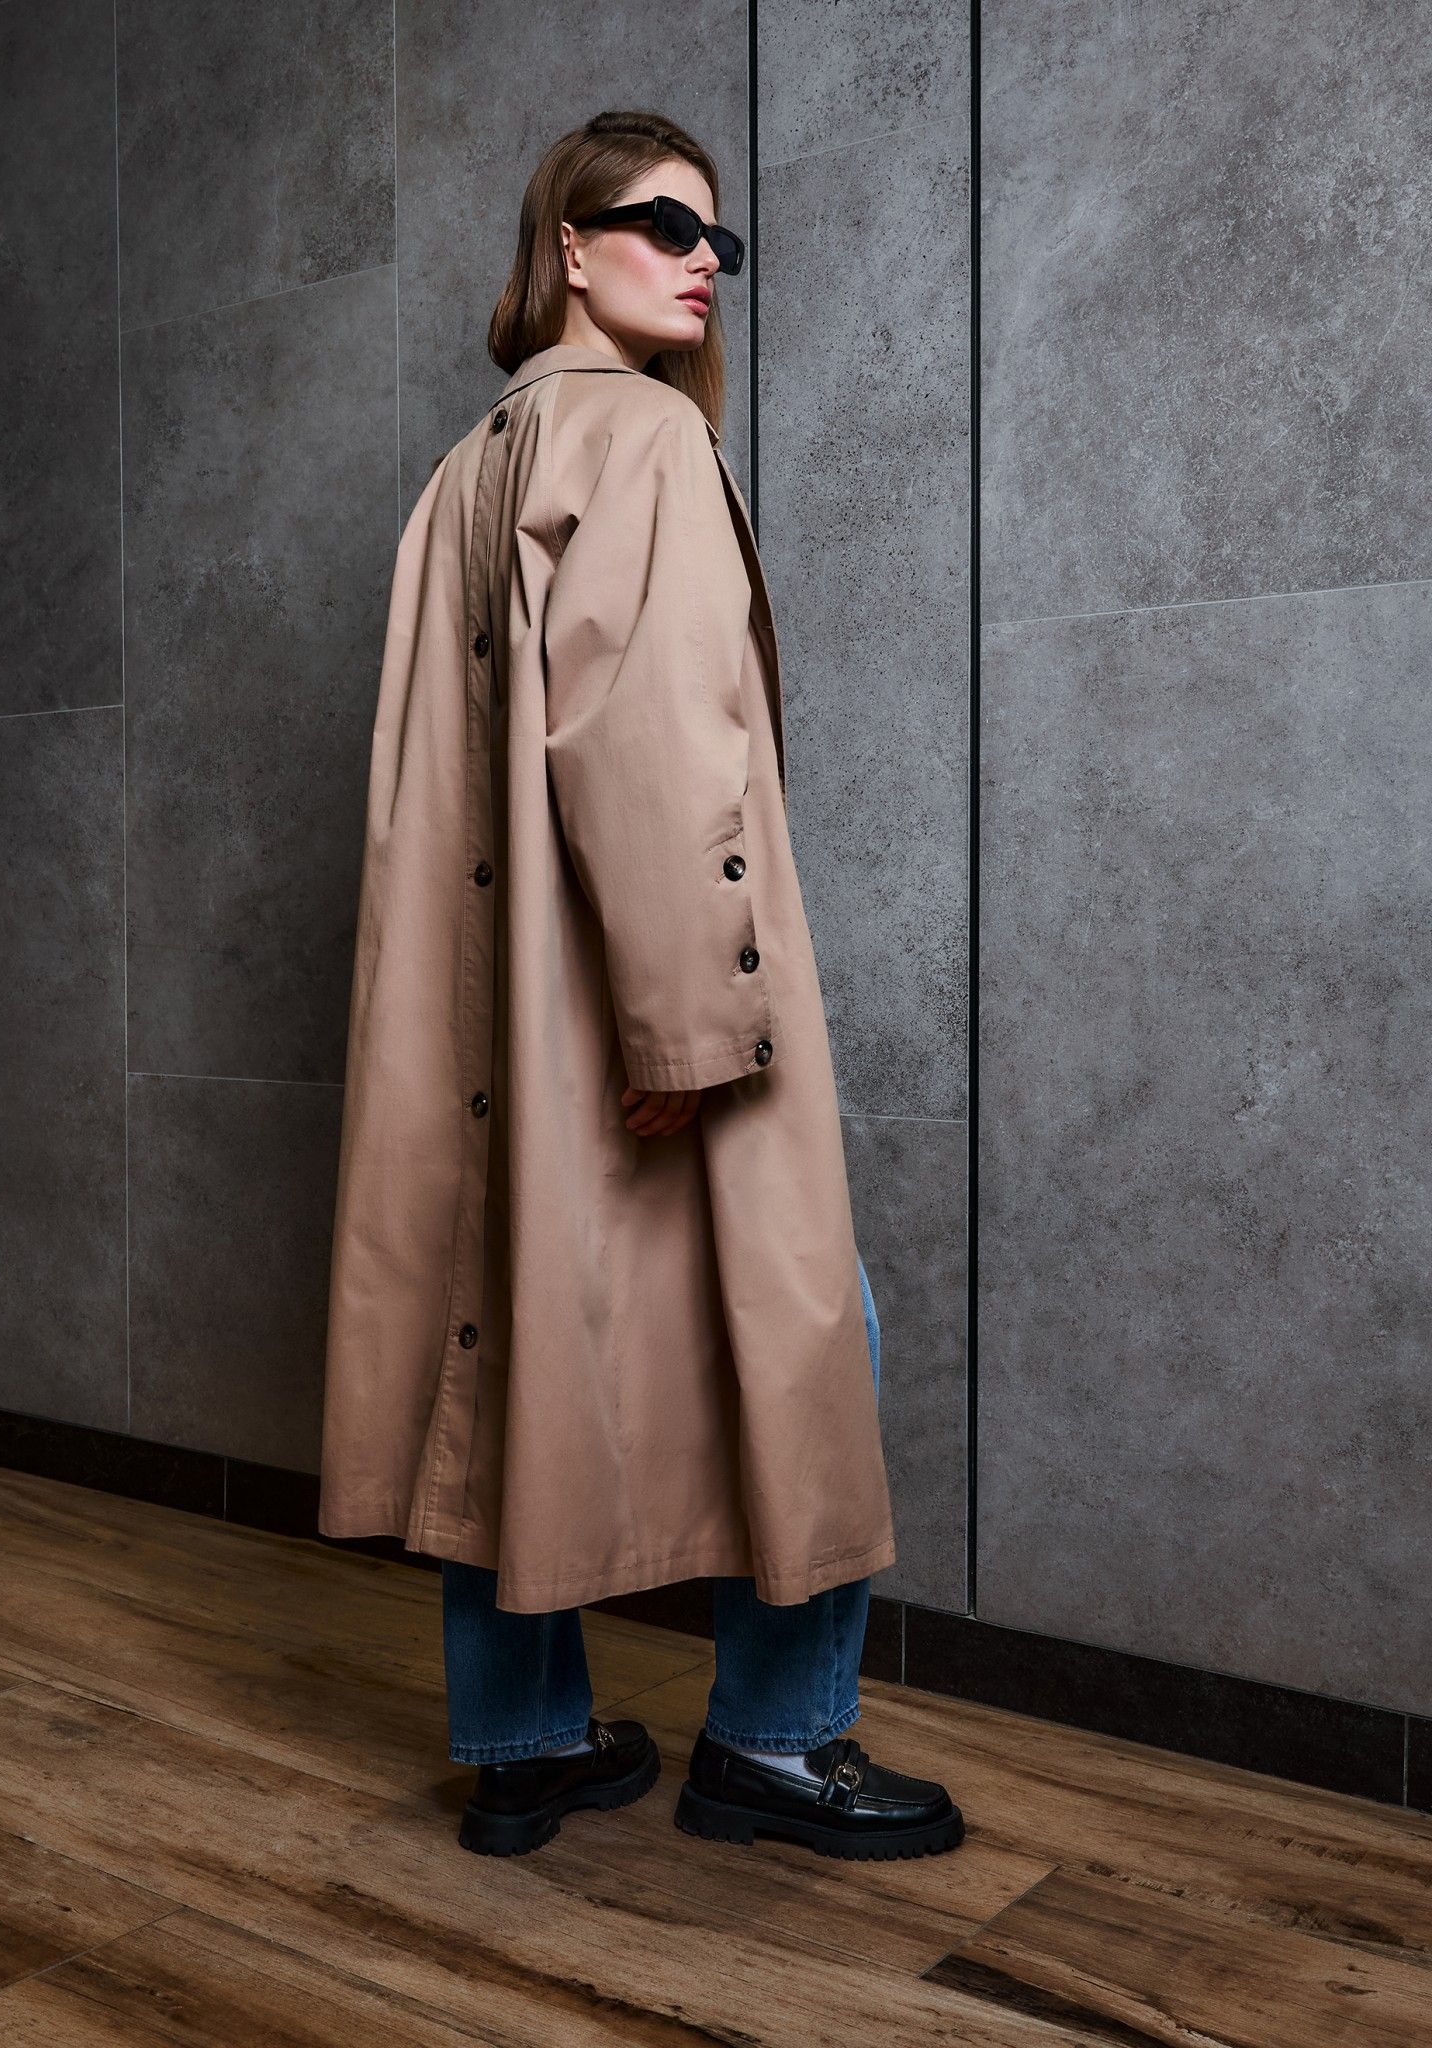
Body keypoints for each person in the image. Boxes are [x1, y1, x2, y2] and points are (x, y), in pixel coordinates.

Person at [317, 109, 966, 1863]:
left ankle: (526, 1743)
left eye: (716, 238)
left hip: (498, 1024)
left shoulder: (468, 471)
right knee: (816, 1330)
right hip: (637, 1001)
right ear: (568, 243)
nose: (700, 260)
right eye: (661, 224)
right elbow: (652, 747)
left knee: (503, 1316)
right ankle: (777, 1742)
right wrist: (690, 1028)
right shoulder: (650, 439)